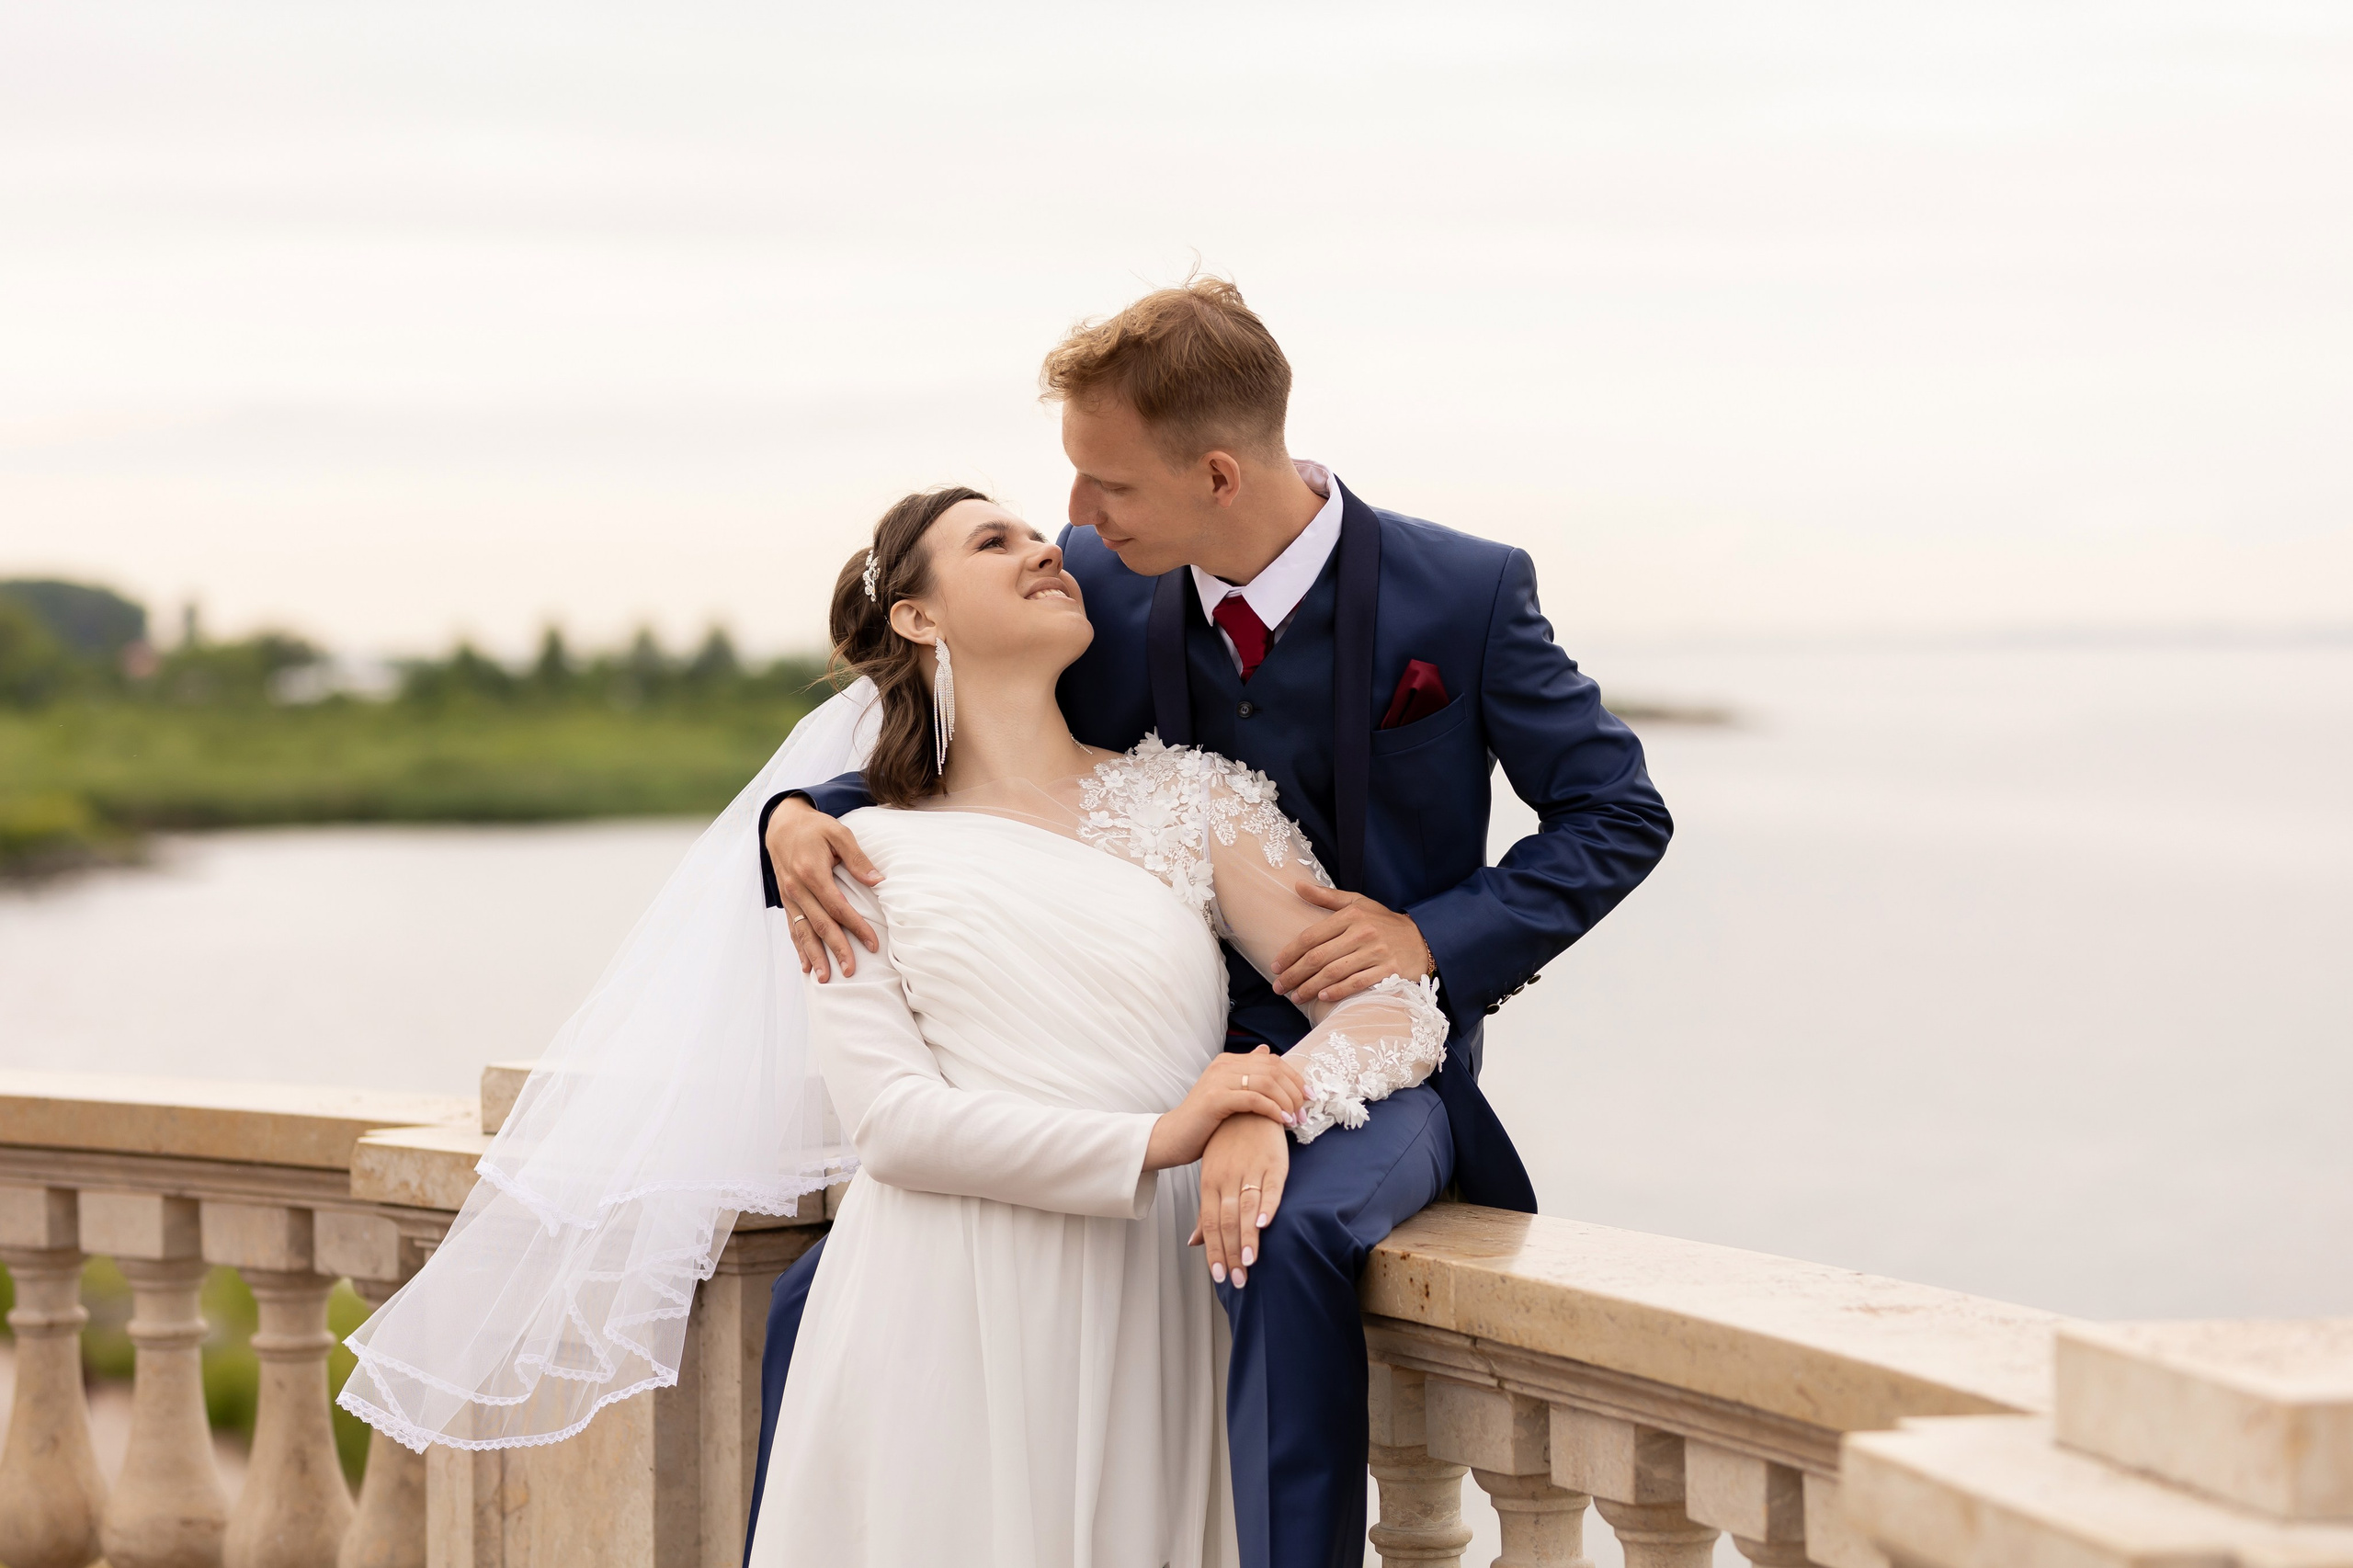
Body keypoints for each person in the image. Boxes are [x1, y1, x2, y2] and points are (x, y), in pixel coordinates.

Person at [752, 279, 1674, 1568]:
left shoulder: (1459, 593)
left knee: (1284, 1240)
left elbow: (1617, 813)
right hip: (1162, 1062)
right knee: (816, 1292)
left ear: (1220, 474)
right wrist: (797, 812)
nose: (1072, 522)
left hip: (1364, 1050)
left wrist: (1426, 939)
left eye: (1106, 486)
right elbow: (979, 757)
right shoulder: (1099, 582)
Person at [749, 485, 1450, 1565]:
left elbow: (1390, 1001)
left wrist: (1271, 1105)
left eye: (1039, 534)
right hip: (929, 1304)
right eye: (996, 542)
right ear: (917, 618)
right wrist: (1165, 1135)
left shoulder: (1193, 803)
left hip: (1146, 1292)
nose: (1045, 550)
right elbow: (891, 1123)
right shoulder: (845, 854)